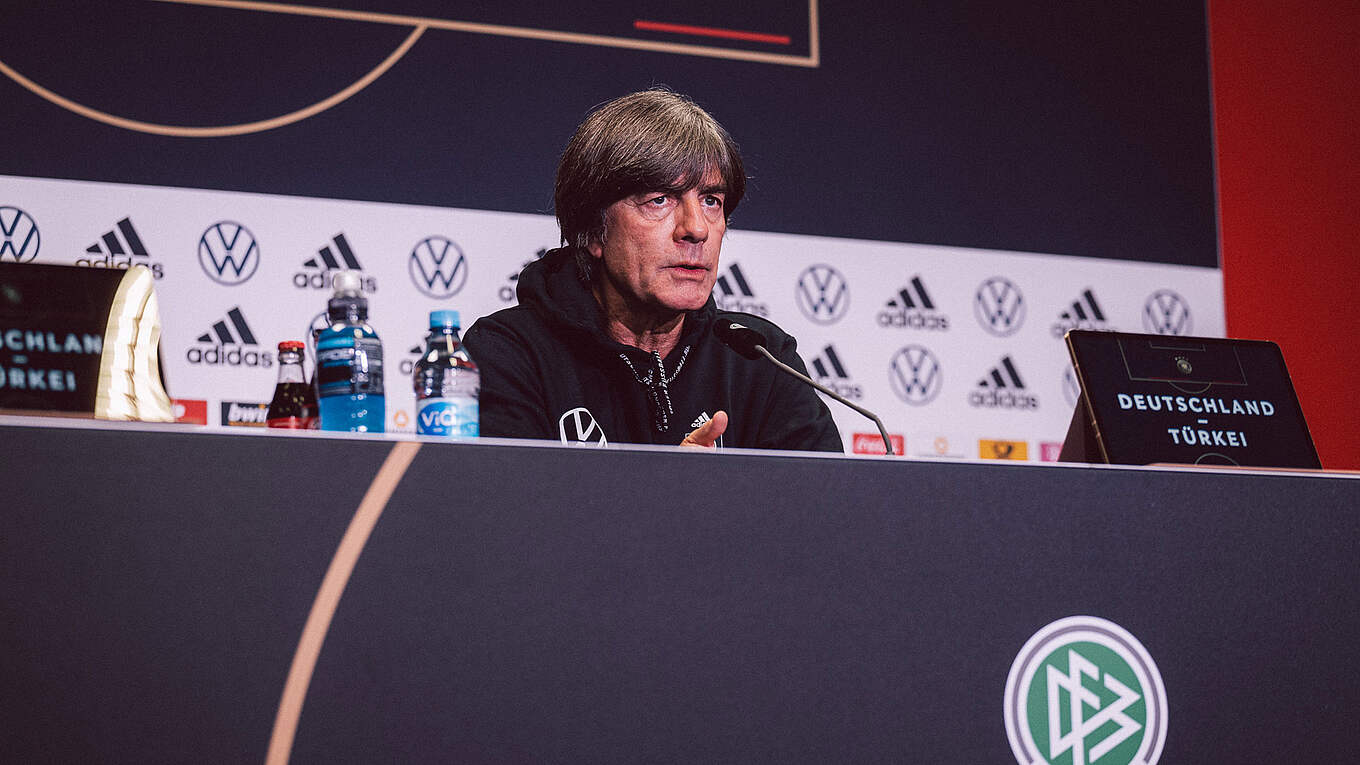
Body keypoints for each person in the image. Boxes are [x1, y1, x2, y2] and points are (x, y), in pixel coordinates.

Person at [463, 88, 842, 451]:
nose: (696, 228)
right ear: (592, 230)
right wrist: (670, 487)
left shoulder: (761, 358)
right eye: (659, 199)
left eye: (711, 200)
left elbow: (827, 496)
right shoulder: (508, 355)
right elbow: (505, 497)